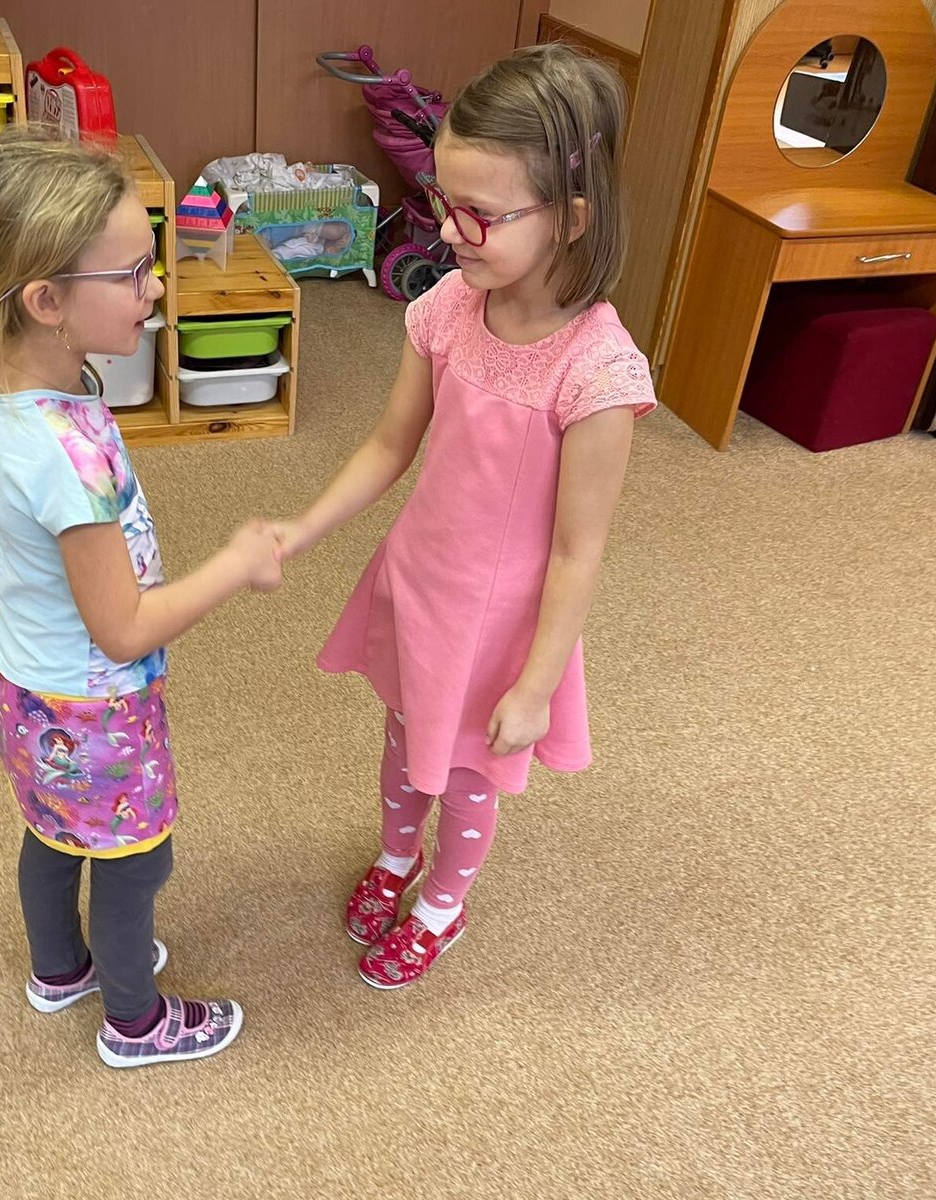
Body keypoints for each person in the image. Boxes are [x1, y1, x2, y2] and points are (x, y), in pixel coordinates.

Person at [274, 45, 656, 989]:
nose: (450, 231)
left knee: (470, 774)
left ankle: (444, 902)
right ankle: (396, 856)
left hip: (499, 624)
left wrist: (537, 683)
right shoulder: (449, 305)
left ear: (571, 217)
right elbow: (388, 445)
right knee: (406, 742)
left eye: (481, 214)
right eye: (446, 202)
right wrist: (301, 528)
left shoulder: (599, 373)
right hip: (421, 582)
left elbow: (577, 552)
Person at [0, 127, 281, 1065]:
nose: (157, 287)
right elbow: (124, 628)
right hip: (94, 708)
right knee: (137, 863)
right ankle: (136, 1022)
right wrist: (233, 564)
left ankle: (60, 968)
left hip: (23, 685)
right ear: (46, 301)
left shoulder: (16, 389)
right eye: (133, 274)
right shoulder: (66, 457)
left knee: (53, 835)